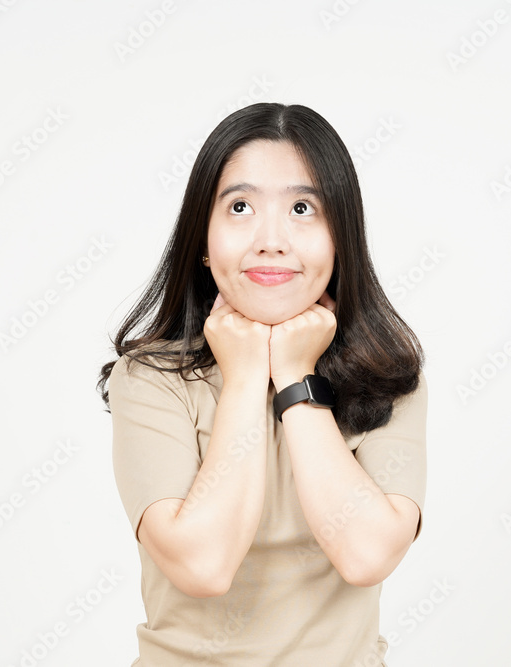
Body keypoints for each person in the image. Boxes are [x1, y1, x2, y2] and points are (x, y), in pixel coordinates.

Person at [97, 102, 427, 665]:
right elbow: (203, 565)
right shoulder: (150, 380)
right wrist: (248, 375)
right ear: (203, 239)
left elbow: (367, 554)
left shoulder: (386, 372)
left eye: (302, 208)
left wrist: (295, 378)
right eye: (241, 207)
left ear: (340, 237)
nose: (271, 240)